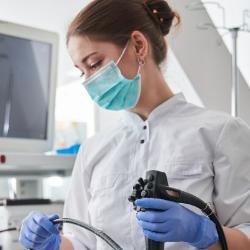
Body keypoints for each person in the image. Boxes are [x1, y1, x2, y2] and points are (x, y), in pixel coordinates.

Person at [19, 0, 250, 249]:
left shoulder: (221, 132)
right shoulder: (93, 150)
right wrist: (53, 244)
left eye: (95, 64)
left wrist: (203, 232)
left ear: (138, 45)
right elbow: (81, 242)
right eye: (81, 71)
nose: (88, 81)